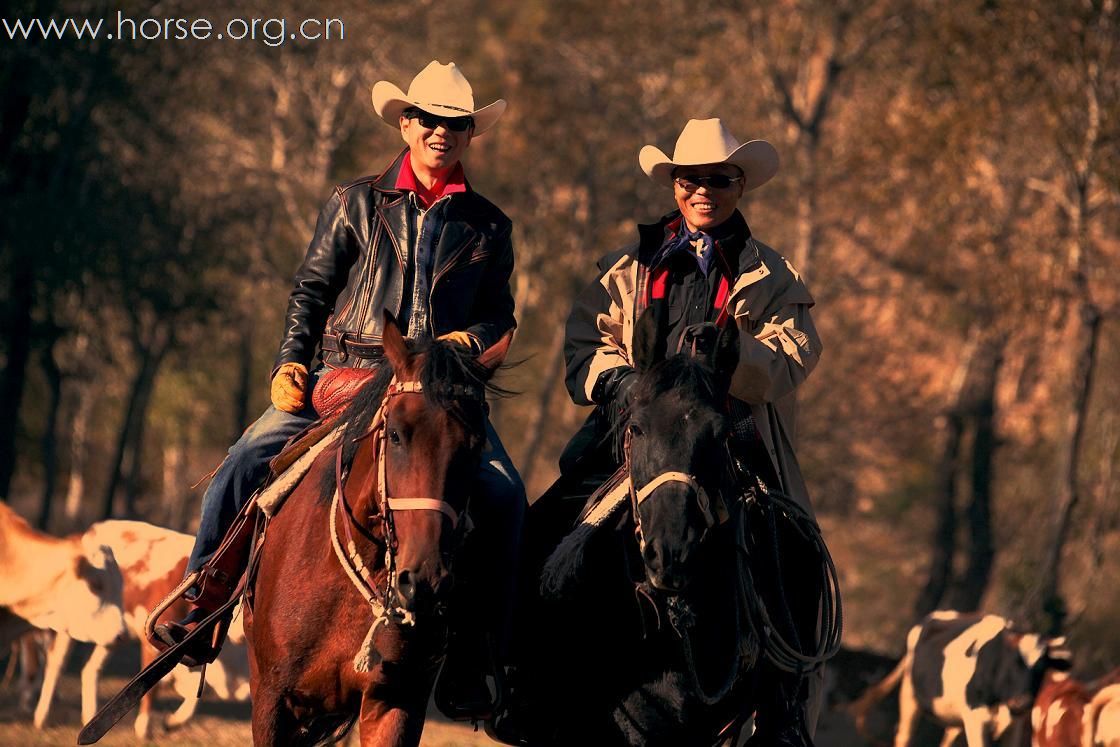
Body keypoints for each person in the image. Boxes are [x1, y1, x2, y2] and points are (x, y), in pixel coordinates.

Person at [153, 61, 526, 719]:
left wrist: (470, 342)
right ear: (407, 124)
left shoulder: (490, 225)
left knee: (503, 493)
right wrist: (289, 364)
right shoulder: (354, 202)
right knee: (244, 459)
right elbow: (311, 291)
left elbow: (499, 313)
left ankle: (478, 657)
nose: (442, 133)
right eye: (430, 120)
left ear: (470, 134)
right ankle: (200, 601)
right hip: (346, 375)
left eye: (456, 124)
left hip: (437, 391)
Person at [561, 118, 825, 746]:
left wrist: (739, 358)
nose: (704, 191)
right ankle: (526, 684)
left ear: (740, 186)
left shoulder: (773, 276)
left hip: (728, 445)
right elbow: (585, 343)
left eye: (719, 180)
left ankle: (784, 706)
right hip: (632, 440)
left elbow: (795, 354)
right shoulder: (626, 264)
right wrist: (622, 385)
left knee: (795, 555)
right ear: (673, 185)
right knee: (551, 528)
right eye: (691, 180)